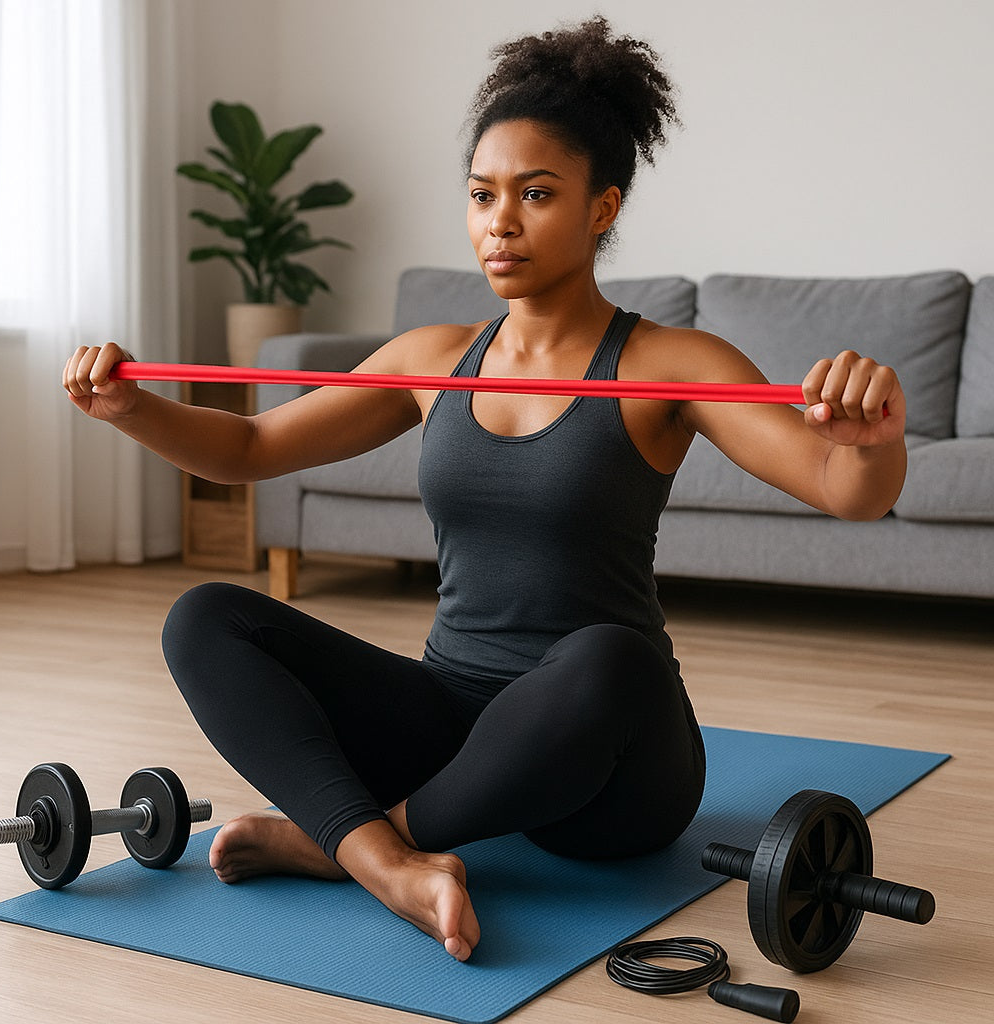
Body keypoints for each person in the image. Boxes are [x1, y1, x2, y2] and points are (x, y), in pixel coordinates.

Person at [62, 17, 906, 963]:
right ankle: (388, 857)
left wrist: (870, 441)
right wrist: (129, 409)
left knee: (611, 656)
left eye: (536, 194)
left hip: (613, 765)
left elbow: (847, 490)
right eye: (481, 194)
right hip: (455, 729)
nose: (500, 221)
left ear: (602, 209)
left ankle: (339, 842)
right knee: (205, 616)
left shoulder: (666, 364)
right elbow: (253, 447)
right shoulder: (435, 360)